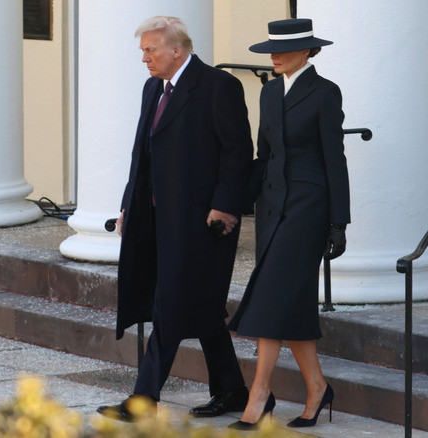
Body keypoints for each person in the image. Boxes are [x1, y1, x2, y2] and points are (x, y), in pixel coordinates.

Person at [97, 16, 253, 422]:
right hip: (156, 216)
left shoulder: (219, 86)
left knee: (171, 303)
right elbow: (142, 155)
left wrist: (226, 205)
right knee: (198, 302)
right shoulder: (153, 88)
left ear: (177, 50)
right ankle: (233, 389)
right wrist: (129, 203)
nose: (144, 58)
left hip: (202, 220)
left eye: (150, 50)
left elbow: (238, 152)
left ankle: (143, 399)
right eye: (143, 50)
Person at [227, 18, 350, 430]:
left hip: (308, 207)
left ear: (307, 51)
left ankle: (259, 394)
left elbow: (335, 159)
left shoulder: (325, 93)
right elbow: (264, 155)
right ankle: (316, 387)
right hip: (271, 206)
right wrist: (234, 203)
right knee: (289, 303)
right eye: (270, 51)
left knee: (271, 296)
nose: (273, 57)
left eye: (280, 51)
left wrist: (339, 222)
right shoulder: (268, 91)